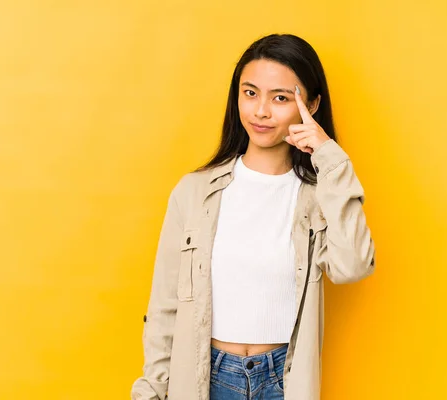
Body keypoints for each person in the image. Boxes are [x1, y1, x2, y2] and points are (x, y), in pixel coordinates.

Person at [131, 33, 376, 400]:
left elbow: (353, 265)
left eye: (280, 98)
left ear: (312, 104)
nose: (261, 111)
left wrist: (329, 158)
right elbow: (165, 306)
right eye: (250, 93)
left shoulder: (319, 197)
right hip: (205, 376)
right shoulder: (195, 192)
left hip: (283, 379)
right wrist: (151, 390)